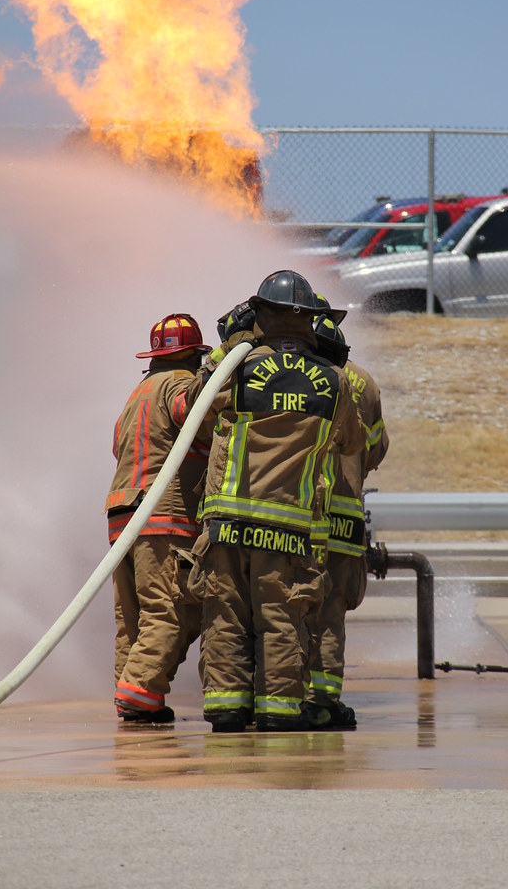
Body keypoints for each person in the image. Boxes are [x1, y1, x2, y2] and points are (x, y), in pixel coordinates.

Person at [186, 270, 366, 733]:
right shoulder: (335, 381)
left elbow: (192, 410)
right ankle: (278, 714)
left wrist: (227, 346)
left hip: (227, 522)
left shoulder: (237, 368)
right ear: (311, 321)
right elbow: (351, 442)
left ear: (259, 315)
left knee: (225, 614)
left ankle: (227, 709)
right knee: (281, 619)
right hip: (289, 527)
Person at [105, 314, 211, 724]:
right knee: (170, 608)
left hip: (121, 513)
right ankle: (139, 694)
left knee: (131, 617)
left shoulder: (137, 393)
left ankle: (130, 695)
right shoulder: (179, 385)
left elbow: (118, 446)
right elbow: (197, 414)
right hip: (162, 515)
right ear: (190, 354)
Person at [306, 314, 389, 729]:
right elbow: (375, 448)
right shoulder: (364, 381)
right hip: (346, 516)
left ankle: (285, 694)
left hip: (302, 511)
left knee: (289, 604)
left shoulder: (298, 372)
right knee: (332, 609)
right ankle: (323, 698)